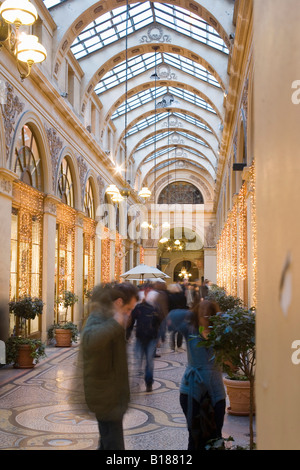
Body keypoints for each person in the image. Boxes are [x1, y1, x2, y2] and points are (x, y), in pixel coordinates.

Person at [80, 282, 139, 450]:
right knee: (114, 444)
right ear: (119, 302)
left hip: (112, 395)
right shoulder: (100, 316)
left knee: (107, 441)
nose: (129, 314)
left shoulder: (111, 317)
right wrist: (116, 323)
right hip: (105, 396)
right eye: (128, 309)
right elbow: (89, 340)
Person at [167, 300, 226, 450]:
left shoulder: (221, 333)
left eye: (209, 315)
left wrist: (221, 317)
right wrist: (192, 312)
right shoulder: (191, 330)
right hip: (191, 391)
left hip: (216, 391)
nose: (205, 318)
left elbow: (232, 363)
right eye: (202, 315)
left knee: (216, 435)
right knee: (194, 436)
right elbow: (173, 316)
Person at [126, 290, 162, 392]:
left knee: (143, 361)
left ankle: (147, 382)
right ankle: (144, 382)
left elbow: (158, 324)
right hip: (144, 338)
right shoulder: (140, 308)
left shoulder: (149, 308)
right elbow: (132, 321)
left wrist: (159, 337)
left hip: (147, 338)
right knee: (144, 361)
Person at [168, 284, 187, 351]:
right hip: (181, 314)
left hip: (172, 314)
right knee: (180, 331)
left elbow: (169, 307)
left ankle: (173, 346)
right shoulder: (183, 296)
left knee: (173, 331)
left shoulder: (170, 296)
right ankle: (179, 345)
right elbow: (185, 306)